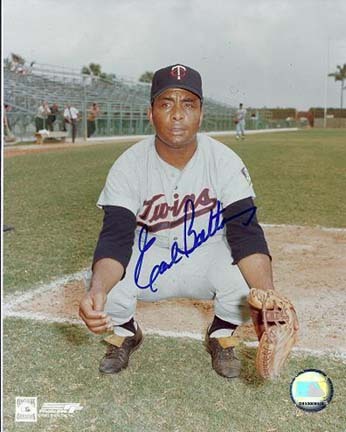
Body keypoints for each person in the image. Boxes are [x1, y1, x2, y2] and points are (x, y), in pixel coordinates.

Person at [79, 64, 274, 378]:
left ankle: (221, 335)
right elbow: (115, 238)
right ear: (151, 112)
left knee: (245, 284)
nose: (178, 114)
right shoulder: (128, 164)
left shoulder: (224, 160)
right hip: (150, 257)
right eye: (166, 103)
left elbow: (246, 233)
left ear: (200, 113)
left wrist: (269, 295)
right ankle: (126, 332)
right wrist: (98, 288)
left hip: (206, 255)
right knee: (103, 285)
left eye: (188, 104)